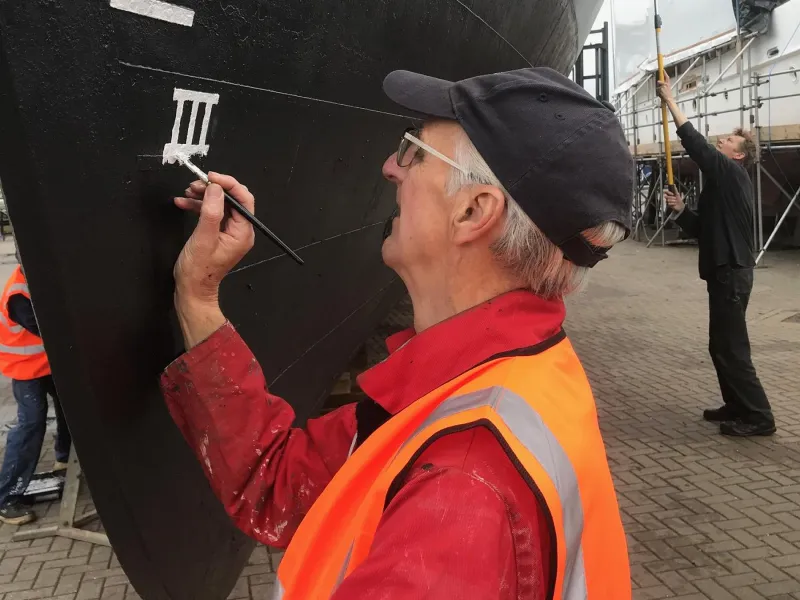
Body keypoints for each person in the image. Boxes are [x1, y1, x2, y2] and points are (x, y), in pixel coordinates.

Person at [160, 67, 634, 598]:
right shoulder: (491, 381)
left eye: (414, 151)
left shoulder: (461, 487)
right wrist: (197, 296)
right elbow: (282, 483)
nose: (390, 167)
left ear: (473, 211)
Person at [657, 73, 776, 437]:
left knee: (732, 347)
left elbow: (697, 146)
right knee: (720, 345)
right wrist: (681, 210)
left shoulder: (731, 174)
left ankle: (759, 417)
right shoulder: (722, 185)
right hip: (725, 272)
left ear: (738, 155)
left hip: (732, 273)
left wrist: (671, 101)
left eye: (728, 141)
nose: (721, 140)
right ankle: (736, 405)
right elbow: (702, 229)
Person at [0, 255, 72, 524]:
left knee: (68, 408)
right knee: (31, 423)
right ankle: (7, 497)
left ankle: (64, 460)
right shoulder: (18, 294)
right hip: (26, 369)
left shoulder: (38, 280)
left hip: (46, 364)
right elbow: (48, 330)